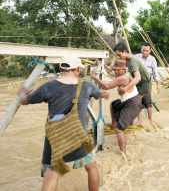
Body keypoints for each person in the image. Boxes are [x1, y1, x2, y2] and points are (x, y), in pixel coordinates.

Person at [17, 55, 110, 191]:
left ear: (61, 68)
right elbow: (102, 93)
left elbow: (24, 101)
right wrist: (106, 94)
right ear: (78, 69)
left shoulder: (48, 87)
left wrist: (21, 93)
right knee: (91, 167)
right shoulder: (87, 86)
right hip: (79, 137)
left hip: (56, 138)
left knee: (52, 174)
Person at [91, 60, 142, 156]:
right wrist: (103, 64)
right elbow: (110, 72)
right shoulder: (122, 74)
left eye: (119, 70)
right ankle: (114, 124)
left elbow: (106, 86)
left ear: (124, 69)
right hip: (127, 101)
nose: (117, 72)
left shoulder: (123, 78)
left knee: (119, 130)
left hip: (133, 103)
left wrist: (94, 78)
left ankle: (123, 154)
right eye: (116, 69)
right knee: (114, 104)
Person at [108, 43, 151, 126]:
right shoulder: (128, 60)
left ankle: (139, 121)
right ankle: (131, 122)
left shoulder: (132, 62)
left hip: (143, 83)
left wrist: (125, 89)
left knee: (136, 102)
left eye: (119, 55)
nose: (119, 57)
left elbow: (137, 78)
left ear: (124, 52)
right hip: (139, 82)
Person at [134, 42, 160, 124]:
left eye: (146, 51)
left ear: (150, 51)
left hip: (147, 82)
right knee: (137, 101)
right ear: (141, 49)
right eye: (143, 50)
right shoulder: (136, 57)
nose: (144, 52)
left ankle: (150, 119)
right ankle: (139, 120)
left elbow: (155, 72)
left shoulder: (152, 59)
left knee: (148, 101)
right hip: (137, 82)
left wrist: (158, 84)